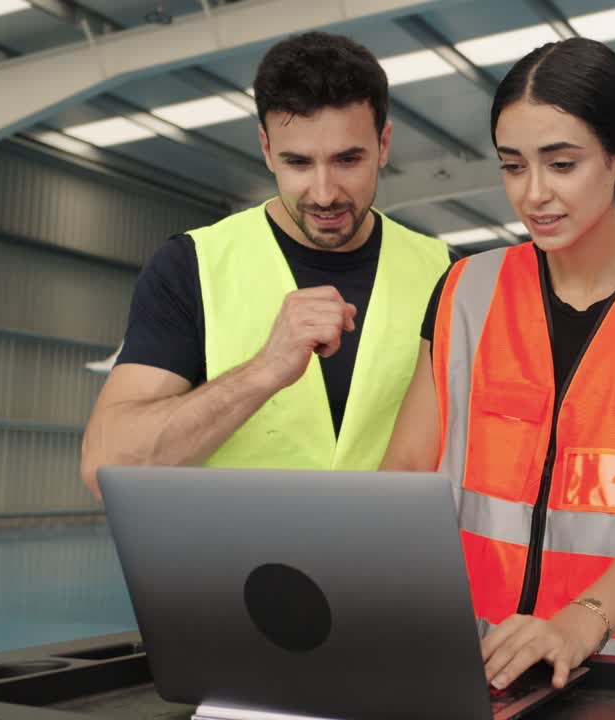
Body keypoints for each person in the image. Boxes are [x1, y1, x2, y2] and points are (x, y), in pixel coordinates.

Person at [380, 38, 615, 690]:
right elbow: (406, 472)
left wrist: (579, 623)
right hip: (480, 663)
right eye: (512, 166)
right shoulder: (464, 293)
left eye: (560, 164)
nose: (533, 195)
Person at [80, 32, 449, 495]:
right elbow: (106, 466)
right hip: (235, 568)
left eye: (348, 159)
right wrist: (264, 371)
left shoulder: (447, 275)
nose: (324, 192)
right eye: (298, 162)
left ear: (384, 143)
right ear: (266, 148)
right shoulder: (191, 267)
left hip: (392, 566)